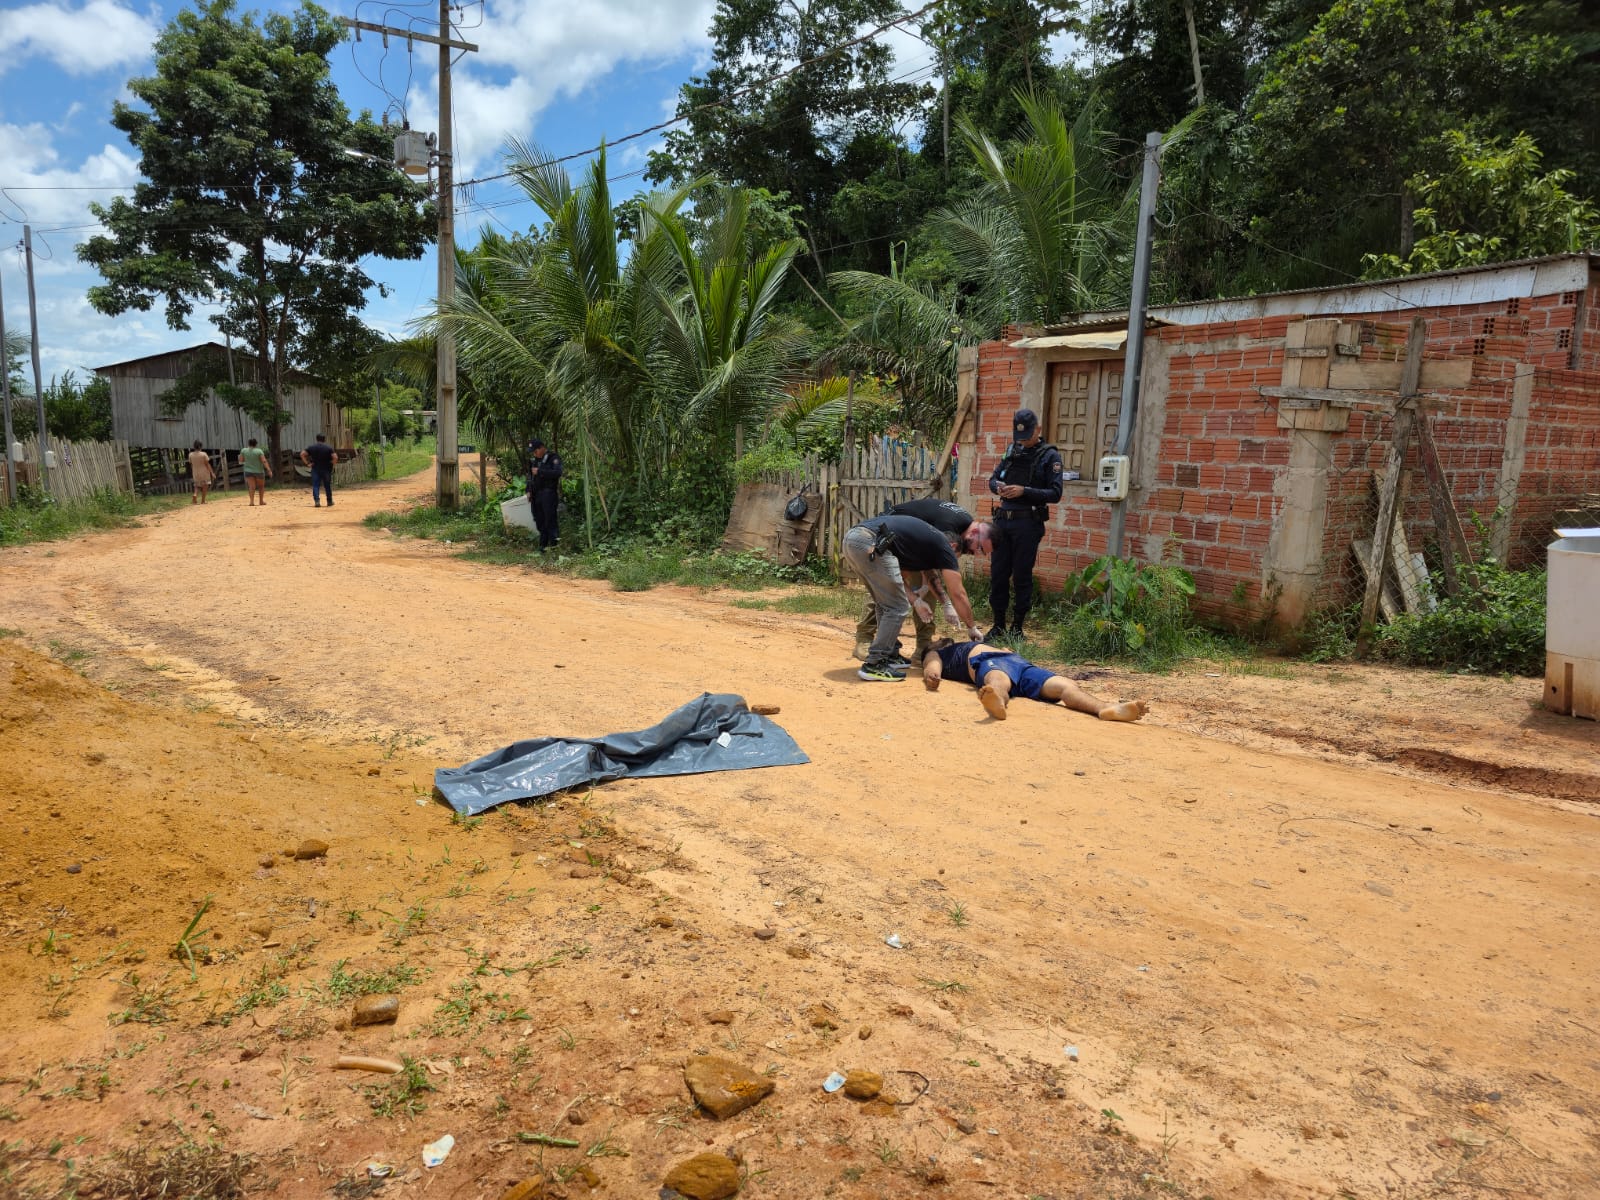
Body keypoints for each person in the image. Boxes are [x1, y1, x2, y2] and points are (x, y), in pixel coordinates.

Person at [843, 512, 982, 682]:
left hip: (855, 539)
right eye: (954, 558)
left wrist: (918, 601)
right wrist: (971, 627)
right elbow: (958, 593)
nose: (946, 563)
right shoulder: (942, 545)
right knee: (898, 607)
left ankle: (890, 654)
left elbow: (906, 578)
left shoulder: (922, 543)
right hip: (869, 542)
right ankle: (875, 663)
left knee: (885, 603)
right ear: (952, 547)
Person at [921, 637, 1148, 723]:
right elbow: (932, 664)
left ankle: (1106, 708)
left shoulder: (965, 643)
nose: (941, 638)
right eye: (937, 640)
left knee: (1064, 684)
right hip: (992, 661)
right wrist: (932, 673)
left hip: (1016, 662)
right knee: (997, 678)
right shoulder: (942, 653)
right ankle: (997, 699)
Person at [987, 408, 1063, 643]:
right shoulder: (1011, 451)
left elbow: (1055, 493)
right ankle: (998, 625)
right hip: (1003, 522)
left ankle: (1017, 627)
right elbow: (992, 479)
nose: (1023, 440)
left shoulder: (1050, 456)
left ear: (1038, 430)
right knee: (998, 575)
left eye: (1028, 435)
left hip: (1027, 524)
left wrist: (1024, 491)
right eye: (1019, 436)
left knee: (1022, 576)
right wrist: (997, 487)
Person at [526, 438, 564, 550]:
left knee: (550, 519)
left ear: (542, 448)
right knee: (539, 519)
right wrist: (528, 490)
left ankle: (554, 546)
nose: (534, 453)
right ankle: (543, 545)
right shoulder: (534, 461)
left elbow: (557, 472)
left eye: (535, 450)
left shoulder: (553, 458)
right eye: (532, 451)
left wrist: (541, 472)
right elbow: (530, 477)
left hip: (548, 493)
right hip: (536, 494)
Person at [302, 433, 336, 507]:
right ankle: (329, 501)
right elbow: (335, 457)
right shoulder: (329, 448)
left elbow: (302, 454)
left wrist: (308, 463)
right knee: (327, 485)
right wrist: (331, 463)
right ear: (324, 439)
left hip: (315, 469)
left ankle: (317, 501)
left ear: (317, 439)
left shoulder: (312, 447)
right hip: (326, 469)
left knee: (316, 485)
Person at [240, 437, 272, 506]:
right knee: (261, 486)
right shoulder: (259, 451)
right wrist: (269, 470)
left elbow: (241, 460)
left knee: (251, 487)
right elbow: (264, 461)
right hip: (259, 471)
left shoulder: (244, 450)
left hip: (248, 471)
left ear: (248, 443)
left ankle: (251, 502)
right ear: (256, 444)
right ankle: (261, 501)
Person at [188, 439, 215, 505]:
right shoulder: (203, 454)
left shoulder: (190, 455)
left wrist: (194, 471)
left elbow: (191, 464)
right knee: (205, 486)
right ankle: (203, 501)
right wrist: (212, 473)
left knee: (197, 486)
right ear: (200, 446)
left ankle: (195, 494)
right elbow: (207, 464)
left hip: (195, 473)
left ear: (194, 446)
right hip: (204, 473)